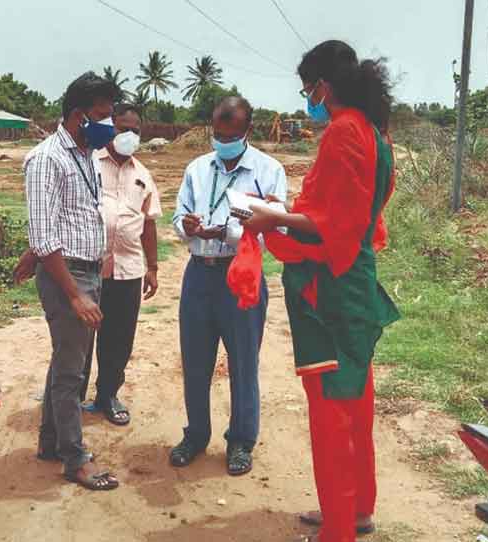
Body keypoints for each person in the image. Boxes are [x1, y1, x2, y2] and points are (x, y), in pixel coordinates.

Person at [240, 40, 401, 542]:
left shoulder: (342, 133)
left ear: (323, 86)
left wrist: (274, 218)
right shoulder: (376, 134)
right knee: (355, 405)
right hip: (355, 285)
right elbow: (355, 214)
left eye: (307, 88)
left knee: (331, 414)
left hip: (331, 291)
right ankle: (357, 511)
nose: (307, 97)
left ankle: (338, 528)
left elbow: (335, 224)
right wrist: (286, 214)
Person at [15, 103, 161, 427]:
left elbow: (149, 224)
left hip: (128, 270)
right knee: (79, 341)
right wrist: (35, 251)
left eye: (135, 130)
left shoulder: (143, 175)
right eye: (123, 128)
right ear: (110, 128)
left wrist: (152, 267)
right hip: (86, 267)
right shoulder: (87, 162)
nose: (129, 135)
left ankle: (108, 395)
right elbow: (56, 212)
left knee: (119, 339)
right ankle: (71, 400)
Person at [170, 96, 287, 476]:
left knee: (242, 362)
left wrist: (230, 231)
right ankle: (196, 434)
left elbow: (277, 227)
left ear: (247, 132)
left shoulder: (268, 171)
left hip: (241, 274)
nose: (223, 141)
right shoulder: (197, 168)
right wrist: (185, 225)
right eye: (217, 134)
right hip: (199, 274)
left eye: (231, 135)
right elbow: (178, 214)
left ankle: (240, 441)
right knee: (196, 360)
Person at [23, 72, 121, 490]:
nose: (109, 124)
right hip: (69, 275)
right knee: (72, 372)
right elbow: (44, 236)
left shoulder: (84, 154)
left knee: (67, 360)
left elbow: (69, 215)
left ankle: (51, 442)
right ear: (80, 117)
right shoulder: (48, 158)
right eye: (103, 116)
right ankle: (76, 459)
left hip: (86, 269)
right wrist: (75, 294)